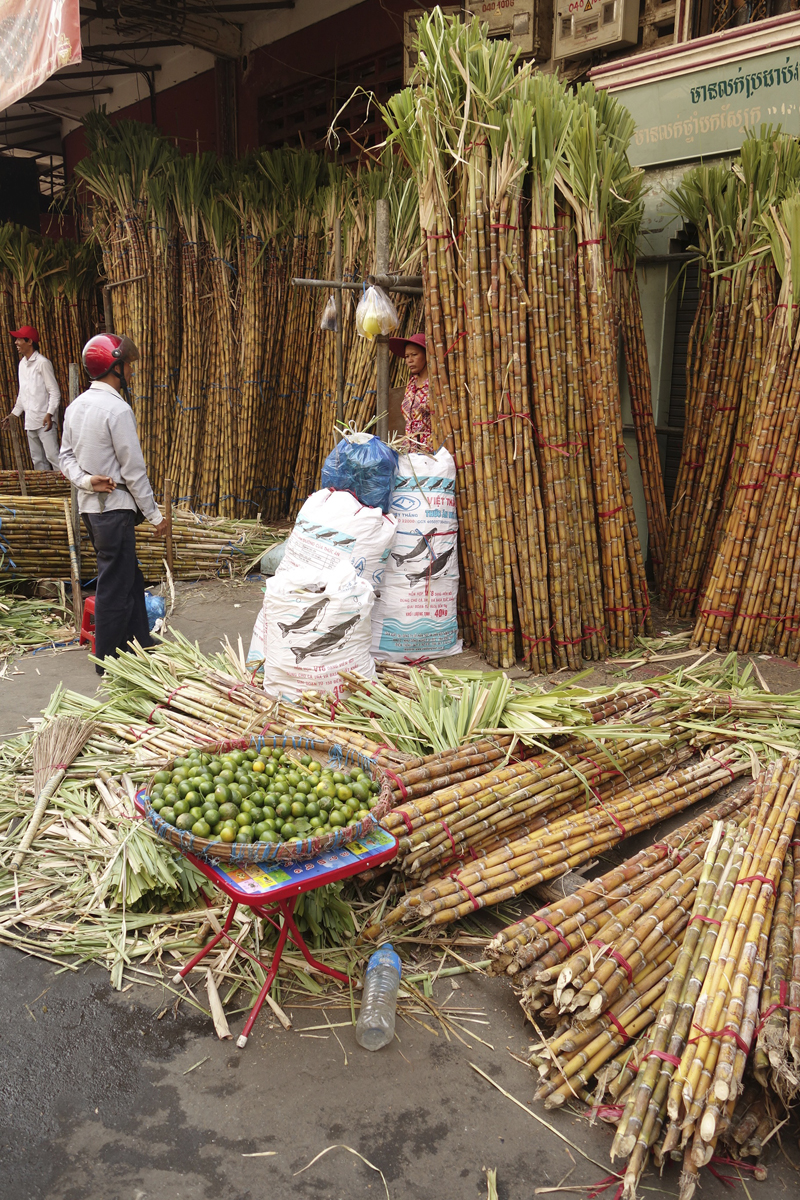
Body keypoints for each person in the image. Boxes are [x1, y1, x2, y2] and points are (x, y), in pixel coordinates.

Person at [59, 333, 168, 675]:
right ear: (114, 367)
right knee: (113, 585)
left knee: (129, 576)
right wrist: (155, 516)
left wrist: (86, 480)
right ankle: (106, 660)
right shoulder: (118, 410)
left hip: (92, 511)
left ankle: (140, 640)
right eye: (127, 367)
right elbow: (134, 470)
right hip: (115, 512)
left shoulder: (75, 406)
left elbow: (63, 457)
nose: (130, 374)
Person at [1, 325, 61, 470]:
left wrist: (49, 413)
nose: (16, 342)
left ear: (29, 342)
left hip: (44, 421)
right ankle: (47, 492)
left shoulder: (42, 363)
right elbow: (23, 394)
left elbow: (55, 392)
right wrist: (14, 414)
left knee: (53, 457)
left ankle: (68, 490)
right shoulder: (22, 364)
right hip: (30, 421)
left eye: (19, 339)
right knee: (38, 461)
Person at [388, 331, 432, 451]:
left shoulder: (435, 385)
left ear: (426, 355)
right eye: (407, 356)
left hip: (430, 453)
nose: (409, 360)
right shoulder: (412, 383)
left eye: (414, 355)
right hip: (410, 451)